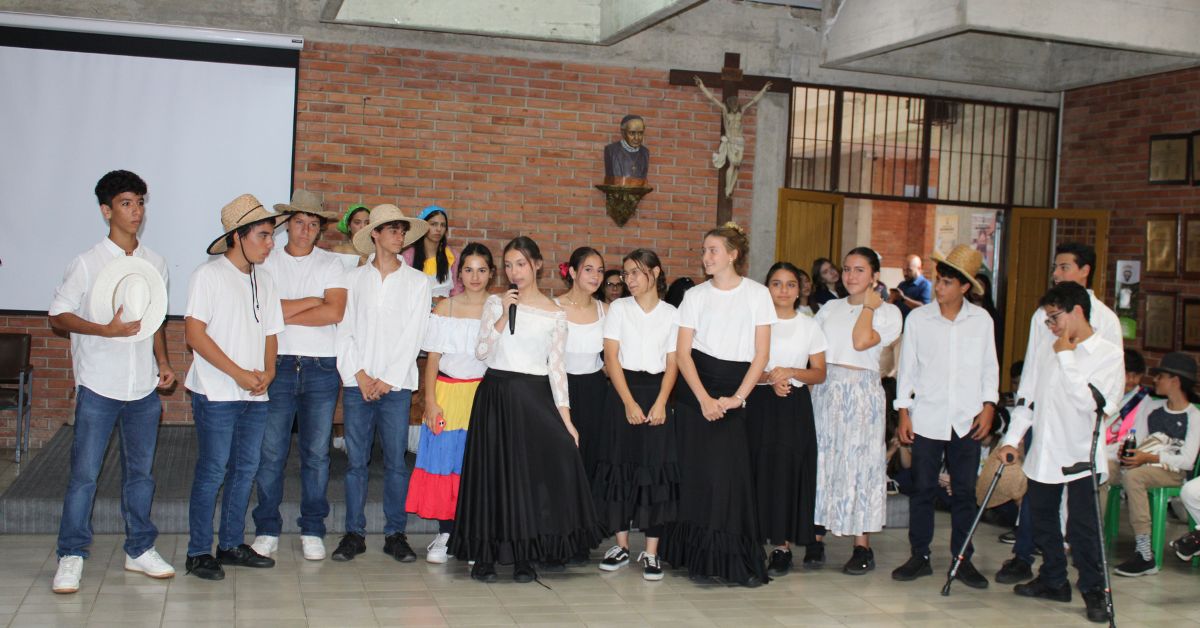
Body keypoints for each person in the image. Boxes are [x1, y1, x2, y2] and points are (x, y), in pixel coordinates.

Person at [48, 170, 176, 593]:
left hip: (142, 387)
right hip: (99, 384)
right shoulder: (87, 262)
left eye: (140, 202)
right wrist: (104, 330)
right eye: (125, 203)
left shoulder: (155, 262)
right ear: (106, 211)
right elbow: (57, 316)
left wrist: (163, 361)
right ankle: (71, 554)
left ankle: (139, 548)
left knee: (141, 474)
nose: (135, 211)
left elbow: (155, 320)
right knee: (85, 475)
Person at [448, 236, 603, 583]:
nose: (514, 271)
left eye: (520, 263)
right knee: (491, 478)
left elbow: (557, 369)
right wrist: (503, 315)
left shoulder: (555, 313)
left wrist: (567, 421)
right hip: (495, 395)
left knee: (528, 478)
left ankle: (523, 556)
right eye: (508, 265)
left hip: (533, 398)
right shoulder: (495, 303)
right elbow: (482, 352)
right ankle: (485, 556)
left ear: (536, 265)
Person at [995, 282, 1123, 624]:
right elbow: (1029, 398)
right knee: (1042, 519)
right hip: (1045, 450)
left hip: (1081, 454)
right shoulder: (1047, 349)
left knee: (1082, 528)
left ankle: (1094, 590)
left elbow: (1090, 404)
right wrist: (1012, 438)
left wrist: (1066, 356)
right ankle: (1053, 579)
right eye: (1048, 319)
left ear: (1077, 311)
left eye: (1055, 318)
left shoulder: (1108, 354)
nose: (1050, 326)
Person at [661, 222, 775, 587]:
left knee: (728, 479)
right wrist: (704, 399)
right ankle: (694, 557)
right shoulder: (695, 296)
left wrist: (738, 399)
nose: (706, 256)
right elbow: (683, 353)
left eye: (713, 250)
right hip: (697, 391)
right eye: (704, 250)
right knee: (697, 475)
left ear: (733, 254)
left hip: (735, 391)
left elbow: (761, 354)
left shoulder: (757, 294)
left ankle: (730, 559)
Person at [184, 194, 289, 580]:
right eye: (263, 235)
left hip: (255, 392)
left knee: (246, 469)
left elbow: (272, 332)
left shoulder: (266, 279)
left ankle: (229, 544)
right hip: (216, 392)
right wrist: (238, 374)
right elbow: (194, 334)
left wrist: (269, 371)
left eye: (271, 235)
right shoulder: (208, 275)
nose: (270, 243)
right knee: (213, 470)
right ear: (237, 236)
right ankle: (198, 552)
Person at [891, 245, 999, 588]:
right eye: (938, 280)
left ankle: (962, 558)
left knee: (964, 492)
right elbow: (907, 369)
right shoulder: (919, 319)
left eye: (948, 282)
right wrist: (903, 412)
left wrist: (989, 405)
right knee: (922, 488)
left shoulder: (981, 321)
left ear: (965, 287)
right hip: (927, 415)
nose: (939, 287)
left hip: (966, 418)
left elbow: (989, 367)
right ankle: (919, 556)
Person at [250, 190, 347, 562]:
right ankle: (267, 527)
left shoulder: (332, 264)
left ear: (320, 229)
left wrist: (284, 311)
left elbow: (334, 312)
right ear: (287, 225)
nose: (306, 230)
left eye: (313, 224)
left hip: (321, 365)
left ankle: (312, 528)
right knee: (271, 452)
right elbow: (263, 311)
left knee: (316, 454)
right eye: (299, 222)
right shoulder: (266, 261)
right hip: (277, 363)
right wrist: (312, 300)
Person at [331, 204, 431, 563]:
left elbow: (414, 335)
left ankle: (395, 534)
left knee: (395, 462)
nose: (399, 235)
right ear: (374, 233)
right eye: (392, 229)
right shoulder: (352, 279)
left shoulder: (418, 282)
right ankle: (354, 534)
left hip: (396, 386)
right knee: (356, 463)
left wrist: (387, 379)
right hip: (357, 383)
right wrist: (359, 374)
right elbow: (343, 329)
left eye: (402, 230)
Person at [809, 247, 902, 575]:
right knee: (823, 461)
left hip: (861, 394)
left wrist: (869, 306)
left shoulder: (888, 313)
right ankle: (815, 538)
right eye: (847, 269)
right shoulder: (829, 308)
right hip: (826, 390)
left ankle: (862, 546)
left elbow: (861, 341)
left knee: (859, 465)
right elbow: (813, 352)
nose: (850, 276)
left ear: (875, 276)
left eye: (859, 270)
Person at [592, 249, 680, 581]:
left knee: (655, 470)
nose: (628, 279)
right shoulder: (619, 309)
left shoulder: (672, 313)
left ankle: (651, 552)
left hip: (657, 391)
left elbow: (673, 362)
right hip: (622, 392)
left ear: (654, 273)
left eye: (635, 272)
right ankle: (621, 546)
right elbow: (611, 358)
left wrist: (661, 402)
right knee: (618, 465)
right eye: (625, 273)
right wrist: (628, 402)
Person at [405, 242, 495, 564]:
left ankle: (474, 536)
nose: (475, 276)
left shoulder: (499, 308)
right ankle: (446, 533)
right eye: (468, 269)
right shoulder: (445, 308)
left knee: (478, 466)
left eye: (481, 270)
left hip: (484, 397)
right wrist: (430, 402)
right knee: (446, 463)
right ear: (459, 274)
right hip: (447, 394)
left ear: (491, 273)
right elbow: (433, 359)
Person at [749, 262, 827, 577]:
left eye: (790, 284)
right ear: (766, 288)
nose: (783, 290)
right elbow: (743, 367)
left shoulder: (809, 325)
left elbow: (819, 373)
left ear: (800, 290)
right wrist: (769, 377)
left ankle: (782, 547)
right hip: (758, 402)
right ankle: (753, 542)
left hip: (794, 405)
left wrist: (791, 372)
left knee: (787, 472)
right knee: (756, 468)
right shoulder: (756, 322)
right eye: (777, 283)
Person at [1111, 352, 1200, 576]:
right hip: (1142, 464)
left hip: (1172, 471)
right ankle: (1092, 537)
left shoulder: (1194, 416)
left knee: (1134, 477)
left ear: (1175, 381)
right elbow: (1138, 438)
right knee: (1103, 470)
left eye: (1160, 376)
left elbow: (1187, 461)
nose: (1155, 380)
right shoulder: (1150, 407)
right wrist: (1130, 453)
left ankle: (1144, 553)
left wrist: (1149, 458)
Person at [555, 248, 608, 493]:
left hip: (595, 389)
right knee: (562, 452)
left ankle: (589, 511)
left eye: (600, 271)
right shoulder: (554, 307)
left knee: (592, 451)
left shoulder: (606, 310)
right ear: (573, 272)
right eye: (588, 269)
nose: (596, 276)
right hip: (559, 388)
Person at [693, 76, 772, 196]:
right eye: (733, 105)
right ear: (730, 105)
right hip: (731, 140)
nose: (735, 106)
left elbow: (754, 100)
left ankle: (730, 188)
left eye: (736, 104)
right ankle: (728, 189)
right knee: (732, 164)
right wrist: (702, 86)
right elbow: (712, 98)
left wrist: (764, 90)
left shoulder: (742, 110)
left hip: (740, 141)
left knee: (737, 166)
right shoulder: (725, 110)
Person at [403, 205, 462, 300]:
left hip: (447, 308)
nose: (439, 229)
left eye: (443, 225)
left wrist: (448, 304)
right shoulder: (408, 256)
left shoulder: (453, 256)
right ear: (423, 226)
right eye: (433, 224)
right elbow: (403, 290)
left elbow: (457, 289)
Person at [603, 114, 650, 184]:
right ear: (623, 133)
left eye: (640, 133)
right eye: (632, 133)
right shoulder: (611, 150)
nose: (636, 138)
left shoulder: (645, 152)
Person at [890, 254, 932, 319]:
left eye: (909, 270)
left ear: (919, 268)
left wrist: (903, 299)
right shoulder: (902, 284)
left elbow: (925, 308)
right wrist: (892, 299)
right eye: (904, 270)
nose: (905, 273)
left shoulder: (926, 285)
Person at [332, 204, 370, 271]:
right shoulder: (338, 251)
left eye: (367, 223)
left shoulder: (377, 252)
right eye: (357, 222)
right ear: (349, 226)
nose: (363, 227)